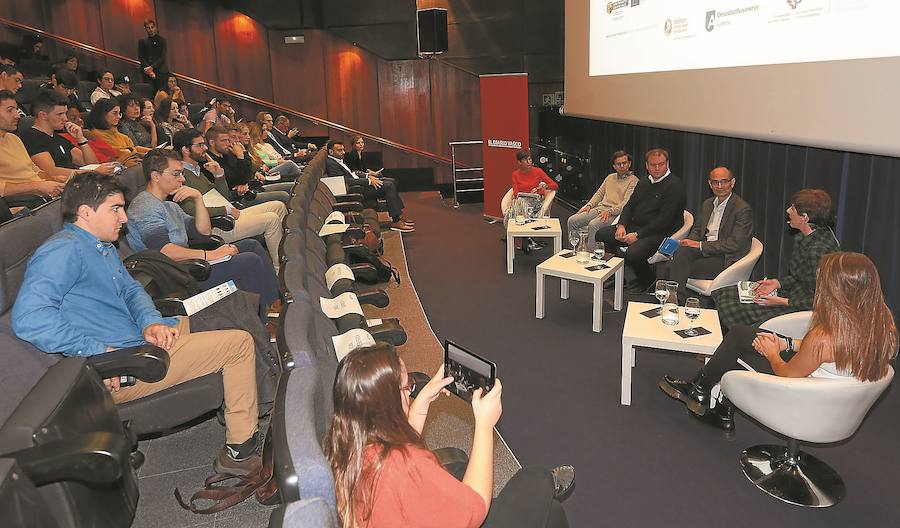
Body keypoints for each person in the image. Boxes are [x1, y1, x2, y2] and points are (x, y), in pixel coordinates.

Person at [12, 172, 263, 475]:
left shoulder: (100, 245)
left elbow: (132, 290)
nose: (124, 218)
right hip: (123, 363)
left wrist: (151, 322)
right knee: (238, 345)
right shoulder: (62, 251)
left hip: (140, 336)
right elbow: (29, 318)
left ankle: (254, 401)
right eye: (115, 209)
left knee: (233, 307)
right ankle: (240, 451)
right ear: (86, 212)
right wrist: (98, 352)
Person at [324, 343, 574, 528]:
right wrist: (484, 425)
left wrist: (420, 405)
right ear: (390, 402)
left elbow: (396, 451)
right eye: (406, 385)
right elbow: (476, 508)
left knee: (548, 512)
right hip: (465, 515)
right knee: (537, 479)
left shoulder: (348, 441)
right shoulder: (405, 465)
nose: (410, 389)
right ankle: (550, 485)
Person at [660, 252, 897, 432]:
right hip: (835, 394)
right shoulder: (882, 320)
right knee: (744, 333)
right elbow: (837, 350)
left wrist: (773, 353)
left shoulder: (823, 338)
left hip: (804, 396)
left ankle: (701, 391)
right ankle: (708, 396)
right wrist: (788, 344)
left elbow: (787, 375)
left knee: (739, 348)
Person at [126, 149, 279, 321]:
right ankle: (264, 322)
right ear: (155, 176)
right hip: (176, 276)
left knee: (251, 245)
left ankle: (273, 303)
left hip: (187, 265)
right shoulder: (145, 206)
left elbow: (203, 231)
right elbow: (165, 251)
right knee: (249, 260)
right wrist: (212, 255)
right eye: (176, 174)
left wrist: (198, 198)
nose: (182, 179)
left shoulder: (170, 206)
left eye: (182, 174)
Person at [712, 188, 840, 329]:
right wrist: (777, 283)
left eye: (793, 208)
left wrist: (781, 301)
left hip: (798, 306)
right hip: (793, 293)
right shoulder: (808, 237)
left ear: (805, 218)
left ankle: (734, 342)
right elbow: (800, 277)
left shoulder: (818, 250)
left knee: (733, 308)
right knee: (725, 293)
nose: (788, 211)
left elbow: (822, 299)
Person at [174, 129, 287, 267]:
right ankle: (280, 269)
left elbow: (223, 197)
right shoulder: (179, 176)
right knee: (271, 219)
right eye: (200, 145)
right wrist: (225, 210)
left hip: (225, 215)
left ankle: (287, 254)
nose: (205, 148)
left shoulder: (197, 170)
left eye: (204, 144)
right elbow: (191, 211)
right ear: (185, 149)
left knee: (278, 205)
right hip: (213, 225)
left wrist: (219, 176)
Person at [595, 148, 686, 293]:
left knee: (633, 253)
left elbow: (664, 220)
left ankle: (647, 280)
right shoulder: (644, 181)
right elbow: (630, 205)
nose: (657, 168)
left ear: (667, 164)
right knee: (602, 234)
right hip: (637, 226)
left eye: (661, 164)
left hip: (660, 232)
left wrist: (638, 235)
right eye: (653, 165)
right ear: (646, 165)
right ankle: (619, 274)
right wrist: (622, 225)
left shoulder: (675, 186)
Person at [664, 166, 753, 299]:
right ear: (710, 184)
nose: (720, 186)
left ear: (732, 182)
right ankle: (674, 300)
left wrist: (699, 245)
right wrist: (689, 242)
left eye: (724, 181)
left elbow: (735, 244)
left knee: (672, 266)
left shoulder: (742, 209)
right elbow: (698, 229)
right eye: (715, 182)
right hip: (706, 250)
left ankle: (674, 301)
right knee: (678, 255)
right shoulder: (708, 203)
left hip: (725, 258)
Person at [18, 90, 116, 179]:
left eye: (65, 113)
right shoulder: (31, 137)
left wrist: (81, 139)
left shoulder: (58, 138)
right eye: (60, 114)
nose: (65, 119)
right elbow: (51, 171)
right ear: (43, 115)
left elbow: (92, 163)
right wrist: (91, 172)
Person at [325, 139, 414, 232]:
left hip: (360, 184)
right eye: (339, 150)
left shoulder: (338, 159)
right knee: (388, 186)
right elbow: (345, 181)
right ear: (331, 152)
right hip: (356, 191)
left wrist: (368, 175)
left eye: (343, 150)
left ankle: (398, 215)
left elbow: (352, 173)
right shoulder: (331, 164)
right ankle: (396, 221)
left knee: (391, 181)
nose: (343, 152)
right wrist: (368, 181)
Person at [566, 150, 638, 251]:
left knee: (593, 225)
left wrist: (610, 211)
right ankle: (574, 250)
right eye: (619, 164)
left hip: (616, 213)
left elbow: (626, 203)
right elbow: (599, 194)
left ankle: (591, 256)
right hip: (600, 209)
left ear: (629, 164)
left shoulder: (633, 181)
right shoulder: (610, 177)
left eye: (624, 163)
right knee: (572, 220)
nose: (622, 166)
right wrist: (589, 205)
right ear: (614, 166)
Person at [0, 90, 66, 198]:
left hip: (42, 195)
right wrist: (37, 186)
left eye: (16, 109)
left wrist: (53, 180)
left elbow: (34, 170)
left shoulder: (14, 139)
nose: (17, 115)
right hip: (23, 203)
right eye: (9, 110)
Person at [205, 125, 290, 206]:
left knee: (291, 185)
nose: (228, 143)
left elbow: (247, 174)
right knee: (283, 195)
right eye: (224, 140)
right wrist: (240, 157)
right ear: (212, 143)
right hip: (239, 199)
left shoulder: (227, 154)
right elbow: (238, 180)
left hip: (252, 188)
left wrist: (243, 154)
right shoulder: (210, 162)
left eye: (228, 140)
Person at [84, 97, 146, 167]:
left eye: (119, 113)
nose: (119, 117)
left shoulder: (118, 133)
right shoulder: (96, 134)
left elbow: (132, 149)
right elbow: (122, 153)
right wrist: (130, 151)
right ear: (102, 114)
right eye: (115, 113)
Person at [138, 19, 169, 93]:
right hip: (147, 73)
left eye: (152, 27)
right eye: (148, 28)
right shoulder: (142, 42)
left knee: (160, 93)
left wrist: (152, 67)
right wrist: (149, 70)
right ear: (145, 28)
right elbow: (141, 57)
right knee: (149, 92)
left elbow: (162, 57)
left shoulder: (162, 40)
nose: (151, 29)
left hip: (160, 70)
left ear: (155, 27)